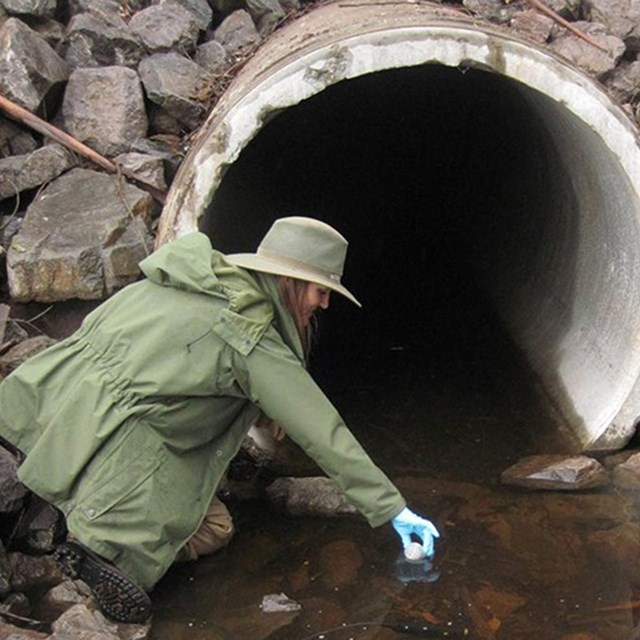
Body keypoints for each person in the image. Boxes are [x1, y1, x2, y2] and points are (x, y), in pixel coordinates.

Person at [0, 216, 439, 624]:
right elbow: (323, 431)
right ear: (289, 281)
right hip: (125, 444)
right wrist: (391, 507)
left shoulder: (198, 278)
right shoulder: (248, 333)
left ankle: (51, 503)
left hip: (50, 403)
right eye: (320, 291)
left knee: (216, 519)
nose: (324, 304)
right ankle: (94, 551)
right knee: (211, 530)